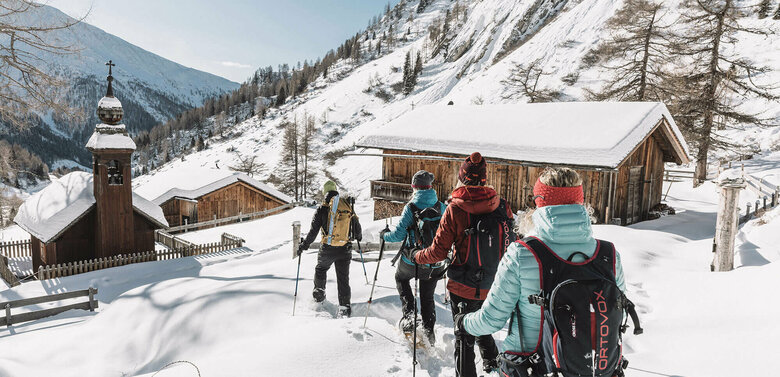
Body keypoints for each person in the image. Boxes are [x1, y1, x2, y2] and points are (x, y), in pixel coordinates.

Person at [453, 167, 632, 377]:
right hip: (596, 370)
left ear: (540, 202)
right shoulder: (608, 255)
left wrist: (463, 322)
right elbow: (617, 313)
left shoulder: (522, 253)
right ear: (580, 202)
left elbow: (491, 320)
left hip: (534, 367)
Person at [413, 152, 515, 377]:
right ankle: (493, 364)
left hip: (463, 285)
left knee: (464, 337)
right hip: (495, 285)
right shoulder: (501, 206)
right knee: (482, 321)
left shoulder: (455, 209)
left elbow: (438, 252)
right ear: (484, 178)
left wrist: (417, 256)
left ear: (462, 177)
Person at [381, 170, 447, 344]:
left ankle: (410, 316)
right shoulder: (442, 207)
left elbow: (398, 235)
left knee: (401, 278)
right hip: (436, 262)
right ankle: (429, 334)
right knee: (427, 297)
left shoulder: (411, 207)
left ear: (414, 187)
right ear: (430, 186)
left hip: (414, 260)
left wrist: (384, 236)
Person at [298, 180, 362, 318]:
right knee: (343, 278)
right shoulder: (347, 206)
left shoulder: (322, 209)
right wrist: (357, 237)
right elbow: (358, 231)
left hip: (327, 249)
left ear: (325, 193)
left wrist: (304, 245)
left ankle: (319, 298)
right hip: (344, 249)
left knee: (321, 270)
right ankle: (344, 308)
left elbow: (313, 232)